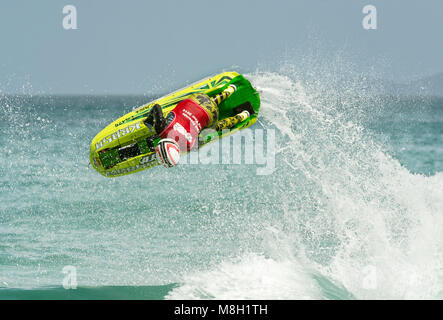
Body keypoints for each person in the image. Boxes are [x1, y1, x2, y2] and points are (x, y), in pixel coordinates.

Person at [144, 84, 246, 167]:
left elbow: (205, 137)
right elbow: (156, 107)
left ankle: (243, 115)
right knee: (207, 106)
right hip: (198, 98)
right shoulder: (161, 127)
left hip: (210, 113)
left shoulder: (189, 147)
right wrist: (149, 120)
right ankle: (229, 91)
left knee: (215, 128)